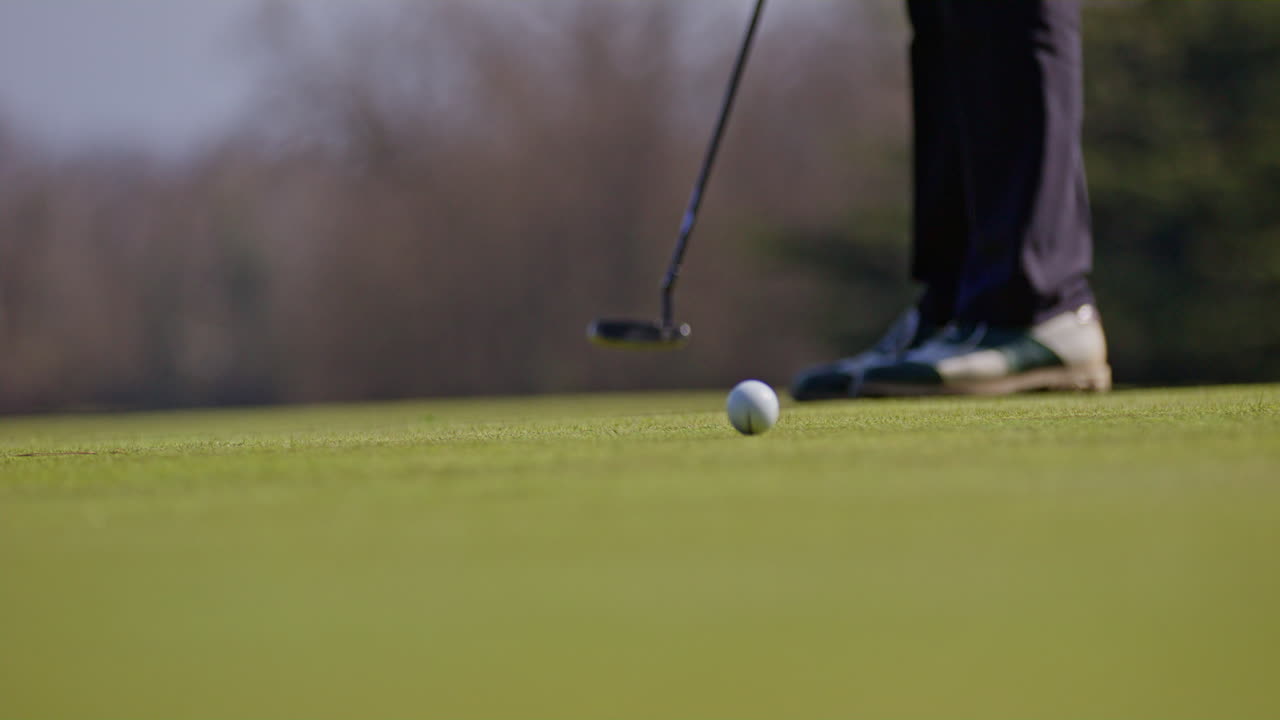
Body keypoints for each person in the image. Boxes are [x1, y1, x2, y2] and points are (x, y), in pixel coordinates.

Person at [791, 0, 1111, 400]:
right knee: (943, 13)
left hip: (1033, 303)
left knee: (1005, 12)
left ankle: (1036, 306)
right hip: (958, 300)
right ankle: (957, 308)